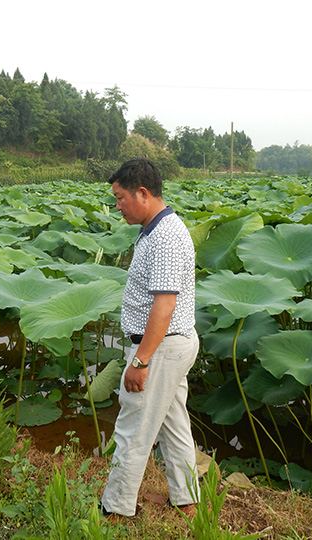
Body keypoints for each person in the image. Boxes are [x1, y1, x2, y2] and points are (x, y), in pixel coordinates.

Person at [100, 158, 200, 518]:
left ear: (142, 193)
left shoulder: (167, 237)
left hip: (160, 347)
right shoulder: (155, 231)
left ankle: (115, 509)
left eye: (120, 197)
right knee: (174, 428)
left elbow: (164, 307)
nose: (117, 205)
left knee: (133, 430)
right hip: (168, 345)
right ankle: (186, 501)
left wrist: (140, 361)